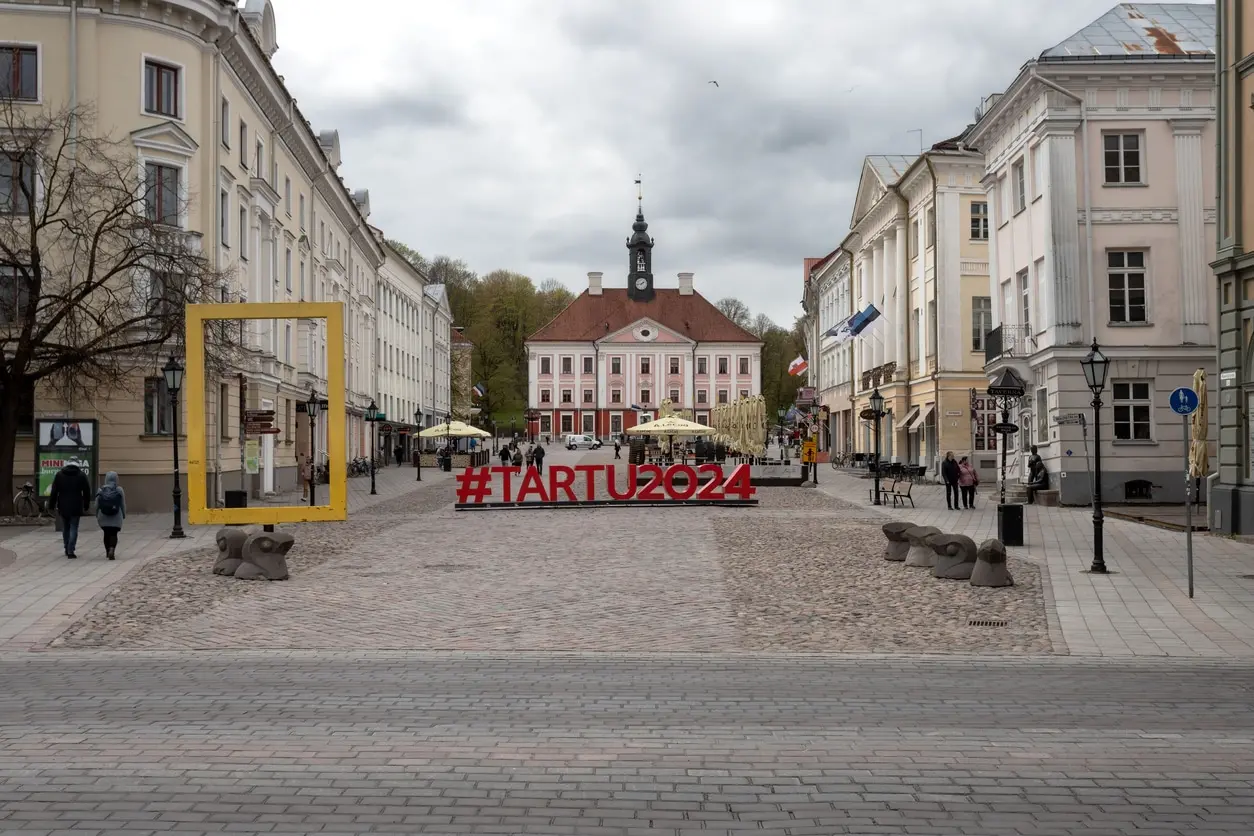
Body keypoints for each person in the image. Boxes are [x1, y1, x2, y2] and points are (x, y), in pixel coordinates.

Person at [48, 461, 92, 559]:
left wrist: (51, 505)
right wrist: (86, 504)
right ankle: (71, 550)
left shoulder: (59, 475)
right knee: (74, 527)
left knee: (66, 527)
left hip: (63, 505)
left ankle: (66, 547)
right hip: (76, 504)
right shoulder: (81, 475)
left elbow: (54, 491)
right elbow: (86, 491)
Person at [94, 471, 126, 560]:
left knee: (106, 533)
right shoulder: (119, 490)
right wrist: (123, 514)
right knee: (114, 533)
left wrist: (96, 514)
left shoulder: (100, 490)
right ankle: (112, 549)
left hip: (103, 516)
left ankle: (108, 552)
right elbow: (123, 504)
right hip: (116, 516)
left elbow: (96, 505)